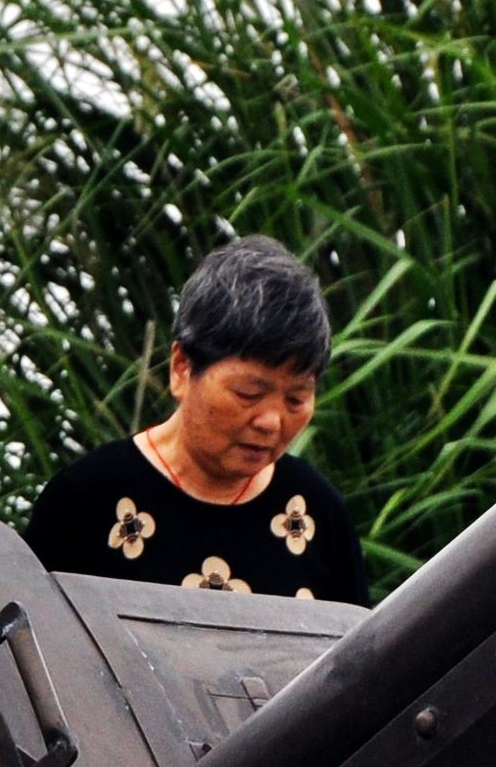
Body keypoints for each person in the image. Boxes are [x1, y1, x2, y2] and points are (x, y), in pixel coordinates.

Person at [22, 236, 370, 604]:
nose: (271, 421)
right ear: (182, 369)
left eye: (296, 398)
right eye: (248, 394)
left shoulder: (318, 513)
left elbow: (361, 658)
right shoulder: (85, 500)